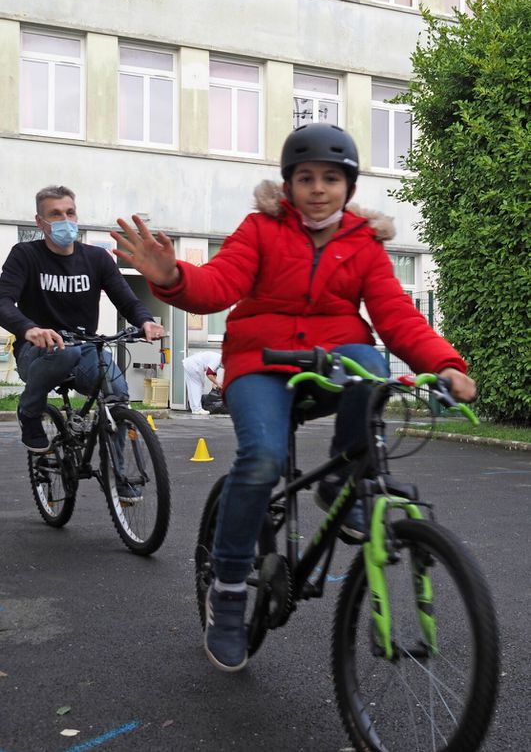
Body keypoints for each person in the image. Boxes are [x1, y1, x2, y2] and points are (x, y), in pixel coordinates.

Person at [111, 123, 476, 673]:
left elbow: (397, 318)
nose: (319, 188)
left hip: (333, 363)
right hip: (261, 363)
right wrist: (173, 278)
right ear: (289, 184)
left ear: (348, 185)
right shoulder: (261, 229)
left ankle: (344, 483)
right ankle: (229, 591)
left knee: (373, 364)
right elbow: (218, 284)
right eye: (305, 177)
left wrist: (445, 366)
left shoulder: (364, 245)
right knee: (260, 463)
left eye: (331, 177)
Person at [0, 185, 165, 466]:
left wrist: (146, 321)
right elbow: (3, 301)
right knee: (67, 351)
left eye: (70, 212)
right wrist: (28, 328)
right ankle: (29, 411)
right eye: (55, 214)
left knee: (117, 394)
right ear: (40, 222)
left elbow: (127, 300)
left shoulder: (97, 258)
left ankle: (118, 473)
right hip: (37, 352)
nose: (65, 220)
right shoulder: (25, 255)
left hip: (85, 348)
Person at [182, 350, 222, 414]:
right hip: (194, 365)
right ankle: (197, 409)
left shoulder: (219, 360)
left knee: (192, 386)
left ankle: (194, 409)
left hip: (189, 363)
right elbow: (209, 374)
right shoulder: (218, 360)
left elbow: (213, 373)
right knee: (197, 386)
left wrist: (215, 383)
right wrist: (217, 383)